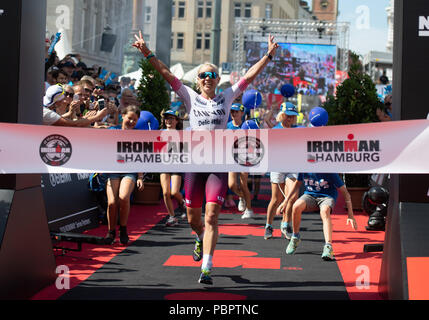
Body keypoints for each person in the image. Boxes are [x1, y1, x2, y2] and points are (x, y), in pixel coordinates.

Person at [133, 30, 279, 285]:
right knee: (193, 218)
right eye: (203, 75)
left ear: (218, 79)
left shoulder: (226, 96)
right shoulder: (190, 96)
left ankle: (207, 267)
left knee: (211, 216)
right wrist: (147, 52)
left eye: (211, 75)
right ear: (198, 81)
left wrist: (267, 56)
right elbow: (167, 74)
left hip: (218, 165)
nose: (208, 78)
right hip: (194, 165)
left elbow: (248, 76)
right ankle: (199, 238)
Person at [278, 173, 358, 260]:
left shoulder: (330, 172)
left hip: (327, 197)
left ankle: (328, 246)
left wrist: (350, 215)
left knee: (324, 211)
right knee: (296, 206)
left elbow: (346, 193)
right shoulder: (304, 167)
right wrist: (285, 201)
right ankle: (295, 237)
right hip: (310, 195)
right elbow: (297, 184)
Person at [104, 105, 145, 245]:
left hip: (130, 170)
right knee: (111, 203)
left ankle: (123, 228)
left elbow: (141, 157)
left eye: (135, 120)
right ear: (123, 116)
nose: (132, 122)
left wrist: (140, 177)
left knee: (124, 197)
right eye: (129, 118)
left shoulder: (139, 135)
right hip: (113, 170)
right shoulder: (112, 131)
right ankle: (110, 231)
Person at [264, 102, 300, 240]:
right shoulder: (275, 130)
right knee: (275, 199)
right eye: (288, 116)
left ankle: (285, 224)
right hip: (278, 166)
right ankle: (268, 225)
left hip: (293, 167)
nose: (290, 119)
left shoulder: (298, 129)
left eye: (293, 116)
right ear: (282, 115)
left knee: (291, 197)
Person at [225, 104, 254, 219]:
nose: (234, 114)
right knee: (231, 185)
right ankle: (242, 197)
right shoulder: (227, 126)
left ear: (242, 113)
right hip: (231, 157)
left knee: (243, 184)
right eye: (232, 111)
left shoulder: (246, 125)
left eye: (236, 112)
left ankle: (249, 209)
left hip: (244, 157)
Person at [159, 110, 186, 226]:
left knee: (174, 192)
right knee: (165, 193)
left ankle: (182, 204)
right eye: (166, 118)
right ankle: (172, 217)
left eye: (171, 118)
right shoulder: (160, 133)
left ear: (176, 121)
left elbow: (186, 151)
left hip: (176, 164)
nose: (168, 121)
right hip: (163, 165)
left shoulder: (182, 134)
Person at [42, 84, 110, 127]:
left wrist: (75, 113)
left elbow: (77, 122)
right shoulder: (46, 112)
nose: (67, 97)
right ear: (57, 101)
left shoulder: (46, 109)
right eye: (66, 94)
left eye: (71, 95)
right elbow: (75, 124)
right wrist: (97, 117)